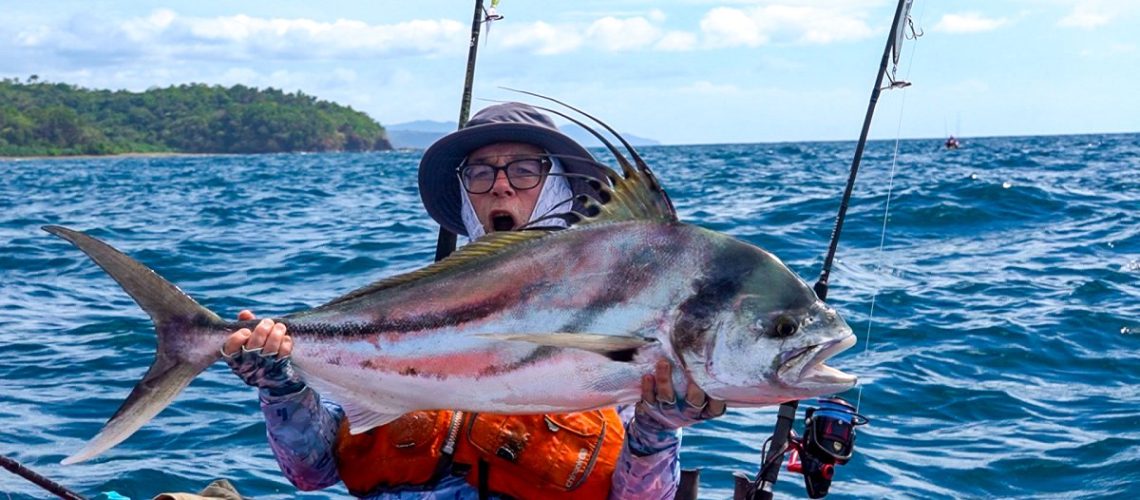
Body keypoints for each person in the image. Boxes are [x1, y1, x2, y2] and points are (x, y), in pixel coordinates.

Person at [221, 102, 726, 499]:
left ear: (562, 190)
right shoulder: (397, 316)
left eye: (524, 170)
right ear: (465, 196)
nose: (500, 185)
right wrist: (281, 391)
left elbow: (644, 499)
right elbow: (312, 473)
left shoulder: (621, 321)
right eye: (480, 174)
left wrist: (659, 425)